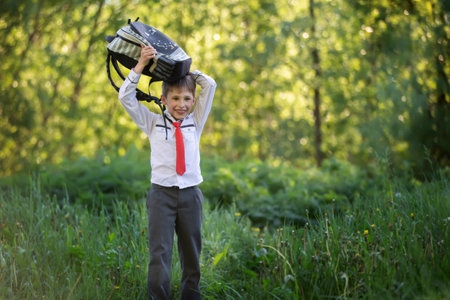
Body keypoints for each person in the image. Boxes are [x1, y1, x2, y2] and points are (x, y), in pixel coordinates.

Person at [118, 44, 216, 300]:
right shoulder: (152, 122)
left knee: (192, 253)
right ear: (164, 100)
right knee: (160, 254)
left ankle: (190, 296)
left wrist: (183, 69)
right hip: (161, 196)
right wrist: (140, 65)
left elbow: (211, 85)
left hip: (190, 195)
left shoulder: (196, 121)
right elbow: (125, 97)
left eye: (186, 99)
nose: (181, 104)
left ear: (193, 101)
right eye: (175, 98)